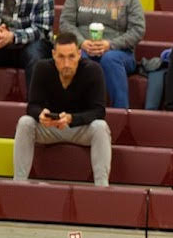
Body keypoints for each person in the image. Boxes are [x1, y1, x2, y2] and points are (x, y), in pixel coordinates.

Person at [12, 32, 111, 187]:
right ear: (53, 55)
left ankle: (102, 187)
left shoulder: (93, 70)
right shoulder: (42, 68)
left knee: (101, 127)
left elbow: (99, 111)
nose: (66, 63)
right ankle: (18, 184)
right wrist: (40, 115)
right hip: (50, 128)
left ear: (79, 54)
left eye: (71, 57)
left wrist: (72, 119)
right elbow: (32, 106)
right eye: (61, 57)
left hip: (79, 128)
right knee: (25, 122)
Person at [58, 0, 145, 110]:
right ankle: (73, 111)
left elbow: (138, 29)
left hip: (119, 52)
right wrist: (82, 42)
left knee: (109, 59)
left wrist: (110, 44)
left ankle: (122, 112)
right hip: (83, 47)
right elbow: (65, 22)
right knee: (77, 58)